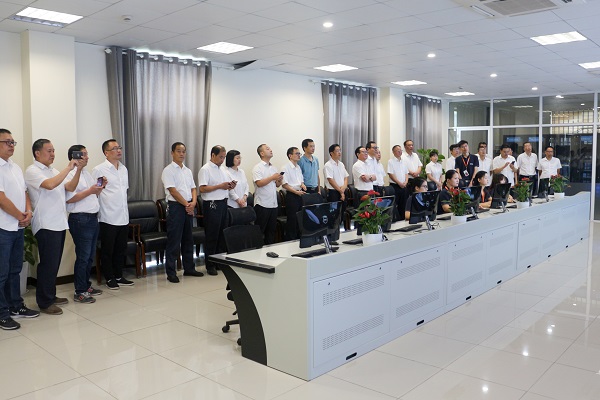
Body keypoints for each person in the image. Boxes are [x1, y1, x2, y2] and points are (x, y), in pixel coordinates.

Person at [25, 139, 81, 315]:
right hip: (46, 224)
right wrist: (68, 168)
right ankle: (45, 301)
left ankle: (50, 295)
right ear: (37, 153)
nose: (53, 154)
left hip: (59, 222)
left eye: (53, 150)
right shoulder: (32, 170)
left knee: (54, 263)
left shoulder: (54, 171)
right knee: (48, 264)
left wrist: (78, 170)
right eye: (49, 151)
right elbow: (49, 185)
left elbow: (70, 187)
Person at [0, 129, 37, 329]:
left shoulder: (15, 167)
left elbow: (24, 193)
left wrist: (28, 212)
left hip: (17, 226)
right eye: (7, 142)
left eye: (13, 142)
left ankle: (16, 306)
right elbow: (1, 199)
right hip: (3, 227)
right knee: (2, 273)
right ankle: (2, 313)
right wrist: (19, 216)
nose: (11, 145)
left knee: (15, 269)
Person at [92, 139, 135, 290]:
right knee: (108, 250)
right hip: (108, 216)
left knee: (120, 249)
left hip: (123, 215)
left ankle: (119, 275)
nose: (119, 150)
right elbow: (96, 192)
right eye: (115, 148)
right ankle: (109, 277)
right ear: (106, 153)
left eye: (119, 147)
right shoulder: (99, 170)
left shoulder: (124, 169)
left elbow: (124, 191)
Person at [65, 145, 104, 303]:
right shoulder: (70, 174)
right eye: (84, 154)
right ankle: (79, 291)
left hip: (92, 218)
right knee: (83, 256)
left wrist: (100, 187)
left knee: (89, 257)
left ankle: (86, 285)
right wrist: (90, 191)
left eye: (87, 154)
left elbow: (93, 194)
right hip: (80, 219)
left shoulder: (87, 173)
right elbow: (69, 199)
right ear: (75, 156)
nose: (87, 157)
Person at [162, 142, 202, 283]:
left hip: (188, 205)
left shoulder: (187, 170)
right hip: (176, 207)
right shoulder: (168, 170)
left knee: (188, 239)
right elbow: (173, 191)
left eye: (183, 151)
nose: (181, 154)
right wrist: (187, 204)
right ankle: (171, 272)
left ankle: (189, 268)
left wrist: (194, 203)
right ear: (172, 153)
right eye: (178, 151)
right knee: (174, 240)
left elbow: (193, 188)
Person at [199, 145, 235, 276]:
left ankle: (219, 262)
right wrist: (220, 186)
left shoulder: (223, 169)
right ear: (213, 155)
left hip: (223, 203)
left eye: (224, 157)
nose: (222, 160)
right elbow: (202, 188)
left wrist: (230, 185)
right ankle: (210, 264)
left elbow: (225, 186)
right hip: (212, 204)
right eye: (220, 157)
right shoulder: (205, 169)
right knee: (212, 235)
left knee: (222, 234)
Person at [253, 144, 283, 245]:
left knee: (271, 232)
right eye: (267, 149)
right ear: (262, 153)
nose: (270, 150)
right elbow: (259, 183)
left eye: (270, 148)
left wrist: (279, 180)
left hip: (273, 204)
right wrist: (272, 177)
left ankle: (269, 251)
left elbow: (277, 185)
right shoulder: (257, 167)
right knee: (260, 231)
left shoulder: (273, 168)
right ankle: (257, 252)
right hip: (262, 204)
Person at [281, 147, 306, 241]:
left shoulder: (298, 167)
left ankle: (299, 238)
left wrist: (303, 185)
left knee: (300, 217)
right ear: (290, 155)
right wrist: (296, 192)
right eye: (297, 153)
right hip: (292, 195)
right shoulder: (285, 167)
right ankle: (291, 239)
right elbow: (285, 184)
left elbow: (301, 180)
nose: (299, 155)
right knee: (292, 218)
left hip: (300, 194)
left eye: (299, 153)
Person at [323, 144, 348, 216]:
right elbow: (330, 180)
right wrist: (340, 191)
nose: (339, 152)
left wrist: (344, 187)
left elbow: (346, 177)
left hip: (343, 190)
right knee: (334, 213)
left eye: (340, 150)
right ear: (331, 153)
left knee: (343, 211)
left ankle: (341, 223)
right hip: (333, 192)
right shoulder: (328, 165)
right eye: (337, 151)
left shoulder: (341, 164)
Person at [387, 144, 409, 221]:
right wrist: (399, 182)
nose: (400, 152)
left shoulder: (404, 161)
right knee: (395, 204)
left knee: (404, 204)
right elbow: (390, 174)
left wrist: (406, 182)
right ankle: (397, 220)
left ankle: (403, 220)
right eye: (398, 150)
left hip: (404, 185)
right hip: (395, 186)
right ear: (393, 152)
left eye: (400, 150)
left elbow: (406, 173)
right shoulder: (391, 161)